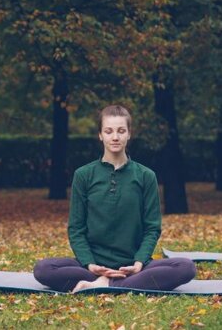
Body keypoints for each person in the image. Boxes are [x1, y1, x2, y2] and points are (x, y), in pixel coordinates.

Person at [33, 105, 196, 293]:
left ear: (129, 134)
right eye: (108, 131)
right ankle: (109, 281)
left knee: (186, 267)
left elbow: (152, 227)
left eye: (121, 131)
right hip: (93, 268)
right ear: (100, 135)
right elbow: (76, 228)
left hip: (134, 268)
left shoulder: (146, 176)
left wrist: (139, 262)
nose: (115, 137)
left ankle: (106, 284)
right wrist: (89, 264)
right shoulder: (84, 175)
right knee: (43, 269)